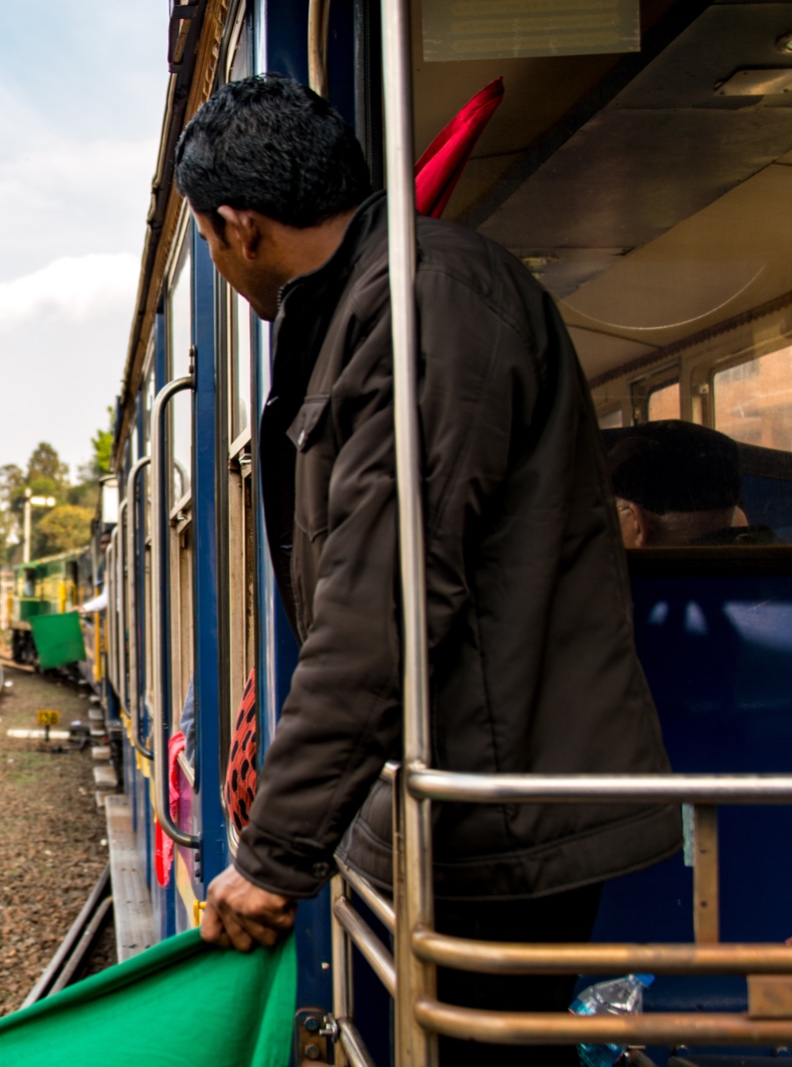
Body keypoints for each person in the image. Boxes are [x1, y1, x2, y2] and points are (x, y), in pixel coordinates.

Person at [178, 77, 680, 1065]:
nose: (215, 256)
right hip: (476, 807)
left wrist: (274, 853)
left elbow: (384, 596)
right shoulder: (381, 301)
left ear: (240, 226)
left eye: (205, 238)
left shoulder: (418, 302)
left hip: (504, 814)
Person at [608, 420, 776, 547]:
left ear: (638, 524)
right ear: (740, 518)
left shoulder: (637, 590)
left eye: (614, 510)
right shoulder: (776, 565)